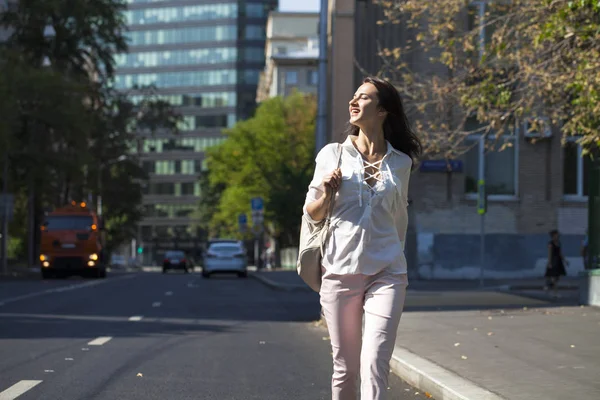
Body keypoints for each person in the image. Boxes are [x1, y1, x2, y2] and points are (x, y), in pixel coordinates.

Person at [303, 77, 421, 400]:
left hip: (388, 273)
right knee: (345, 369)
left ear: (382, 111)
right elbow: (312, 214)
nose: (354, 102)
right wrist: (327, 193)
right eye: (353, 96)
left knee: (374, 363)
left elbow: (399, 220)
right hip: (340, 272)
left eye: (364, 98)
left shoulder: (401, 163)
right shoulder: (332, 155)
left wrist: (395, 254)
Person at [545, 229, 569, 297]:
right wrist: (549, 263)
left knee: (557, 278)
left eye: (558, 235)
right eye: (556, 235)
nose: (557, 236)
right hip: (553, 261)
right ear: (553, 236)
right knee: (554, 278)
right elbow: (549, 254)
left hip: (558, 261)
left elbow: (560, 253)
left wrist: (565, 260)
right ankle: (555, 292)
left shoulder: (559, 243)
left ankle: (549, 285)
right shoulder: (550, 244)